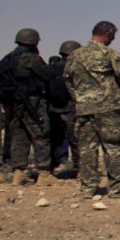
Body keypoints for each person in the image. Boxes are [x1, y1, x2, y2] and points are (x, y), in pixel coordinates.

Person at [63, 21, 120, 198]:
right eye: (113, 36)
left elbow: (67, 80)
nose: (113, 39)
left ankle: (88, 189)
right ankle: (116, 188)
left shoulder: (75, 55)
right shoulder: (109, 53)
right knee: (112, 147)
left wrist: (80, 98)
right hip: (107, 107)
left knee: (87, 148)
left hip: (85, 108)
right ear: (108, 34)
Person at [0, 28, 51, 185]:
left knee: (18, 136)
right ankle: (44, 173)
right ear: (33, 42)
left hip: (12, 104)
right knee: (41, 133)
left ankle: (18, 172)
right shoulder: (32, 59)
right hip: (32, 102)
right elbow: (47, 75)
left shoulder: (6, 59)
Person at [49, 41, 82, 178]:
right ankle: (80, 169)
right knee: (76, 139)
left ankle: (49, 168)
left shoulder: (52, 67)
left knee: (53, 140)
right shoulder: (75, 68)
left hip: (53, 109)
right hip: (70, 108)